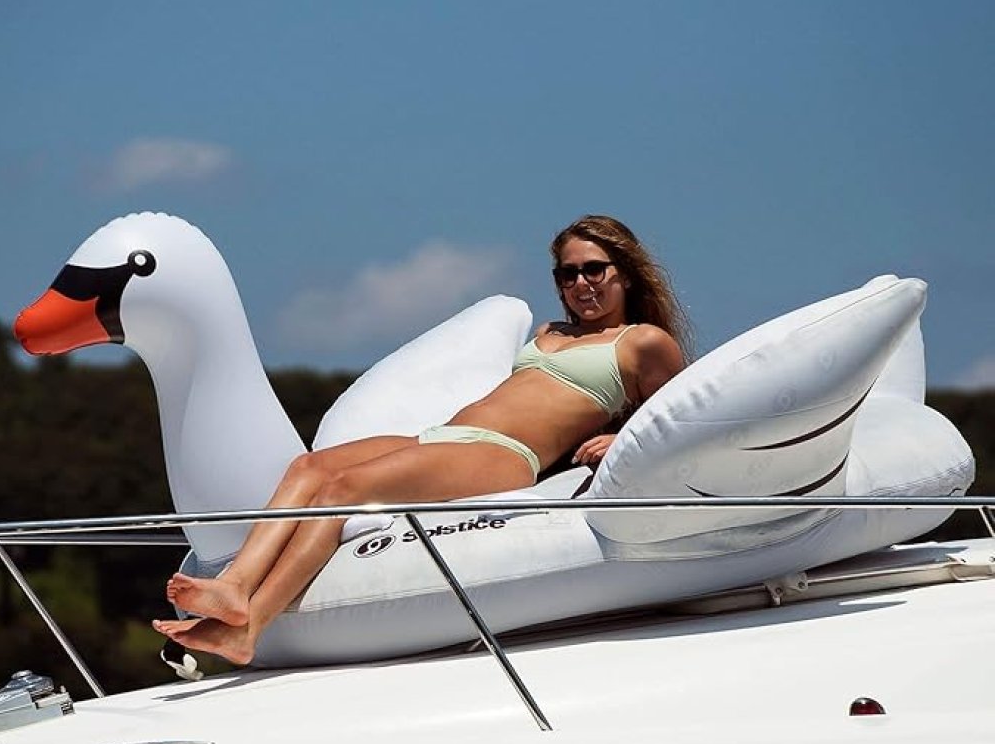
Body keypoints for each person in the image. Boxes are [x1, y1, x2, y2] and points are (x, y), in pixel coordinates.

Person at [152, 214, 691, 664]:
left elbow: (679, 416)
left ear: (625, 272)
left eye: (593, 270)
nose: (580, 284)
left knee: (343, 490)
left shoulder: (643, 342)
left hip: (504, 456)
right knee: (308, 470)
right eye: (567, 274)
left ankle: (250, 628)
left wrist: (618, 438)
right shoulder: (551, 332)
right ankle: (235, 585)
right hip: (448, 435)